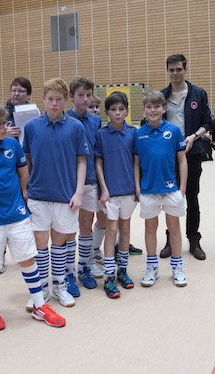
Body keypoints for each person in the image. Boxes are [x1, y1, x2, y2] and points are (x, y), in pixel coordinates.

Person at [0, 102, 66, 329]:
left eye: (5, 122)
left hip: (17, 215)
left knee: (27, 259)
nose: (5, 127)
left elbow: (23, 173)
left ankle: (39, 306)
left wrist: (20, 198)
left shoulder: (12, 145)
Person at [22, 78, 87, 308]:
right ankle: (41, 289)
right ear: (43, 99)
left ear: (66, 100)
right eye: (50, 99)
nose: (54, 103)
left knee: (59, 244)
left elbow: (81, 161)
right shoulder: (31, 127)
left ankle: (59, 286)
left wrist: (79, 192)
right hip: (38, 195)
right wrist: (25, 188)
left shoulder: (76, 127)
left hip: (65, 196)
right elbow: (26, 160)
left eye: (59, 99)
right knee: (40, 244)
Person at [160, 54, 213, 261]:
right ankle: (170, 240)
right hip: (168, 156)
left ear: (185, 69)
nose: (175, 73)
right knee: (170, 198)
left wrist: (193, 137)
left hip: (192, 153)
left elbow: (207, 123)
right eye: (171, 70)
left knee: (192, 196)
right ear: (167, 71)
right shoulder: (162, 96)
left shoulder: (198, 94)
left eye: (179, 69)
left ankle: (193, 239)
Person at [134, 90, 188, 286]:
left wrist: (182, 189)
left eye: (157, 106)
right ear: (144, 110)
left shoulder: (173, 131)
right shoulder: (138, 134)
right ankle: (152, 267)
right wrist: (137, 187)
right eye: (149, 107)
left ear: (164, 108)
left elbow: (182, 160)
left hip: (171, 189)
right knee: (150, 228)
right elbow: (136, 164)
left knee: (174, 227)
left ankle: (177, 266)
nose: (153, 110)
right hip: (148, 190)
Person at [95, 91, 138, 298]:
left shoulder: (133, 133)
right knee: (111, 230)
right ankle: (109, 277)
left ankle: (123, 270)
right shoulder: (101, 134)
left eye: (121, 109)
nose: (118, 113)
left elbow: (137, 162)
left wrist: (137, 187)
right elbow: (98, 162)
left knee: (125, 229)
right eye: (113, 109)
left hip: (129, 190)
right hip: (110, 192)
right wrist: (104, 189)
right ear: (107, 112)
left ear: (127, 111)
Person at [67, 77, 104, 292]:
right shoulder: (64, 119)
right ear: (72, 97)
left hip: (90, 180)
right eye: (80, 95)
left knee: (86, 226)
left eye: (88, 95)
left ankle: (83, 267)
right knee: (66, 228)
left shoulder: (95, 121)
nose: (85, 99)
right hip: (68, 182)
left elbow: (98, 152)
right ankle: (68, 272)